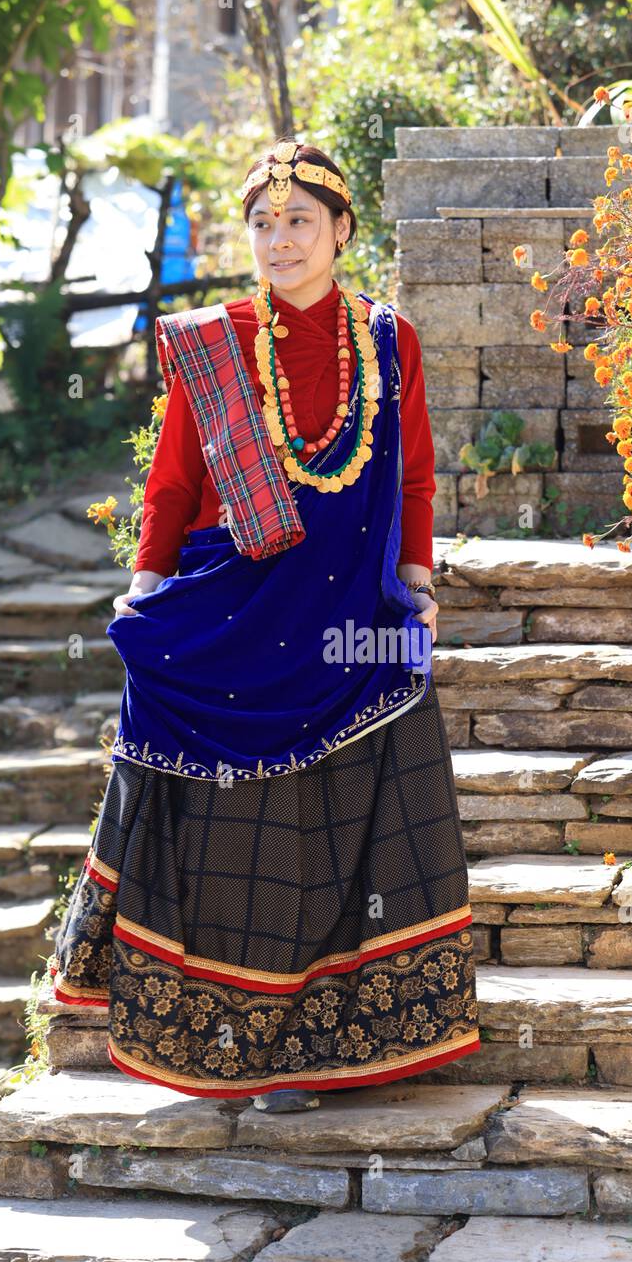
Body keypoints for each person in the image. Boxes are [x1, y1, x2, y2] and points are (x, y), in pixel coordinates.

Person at [50, 138, 480, 1113]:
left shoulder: (384, 338)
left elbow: (410, 472)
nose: (276, 239)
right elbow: (171, 482)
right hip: (225, 620)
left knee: (334, 829)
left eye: (296, 220)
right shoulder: (214, 341)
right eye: (260, 223)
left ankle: (328, 1042)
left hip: (343, 625)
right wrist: (144, 583)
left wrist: (414, 578)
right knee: (233, 838)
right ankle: (228, 1049)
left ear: (339, 230)